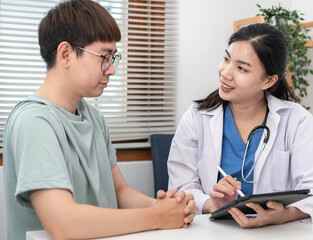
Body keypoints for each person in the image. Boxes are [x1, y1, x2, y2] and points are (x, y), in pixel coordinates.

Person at [3, 1, 198, 239]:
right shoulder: (34, 121)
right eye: (104, 57)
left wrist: (169, 208)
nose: (112, 70)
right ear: (66, 54)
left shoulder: (93, 117)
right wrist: (156, 217)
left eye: (114, 58)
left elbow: (120, 192)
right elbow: (63, 224)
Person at [167, 23, 313, 228]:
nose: (225, 73)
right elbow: (182, 186)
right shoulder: (197, 117)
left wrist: (283, 215)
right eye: (226, 59)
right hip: (213, 231)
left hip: (277, 232)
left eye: (241, 68)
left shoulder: (297, 120)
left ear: (268, 81)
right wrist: (213, 204)